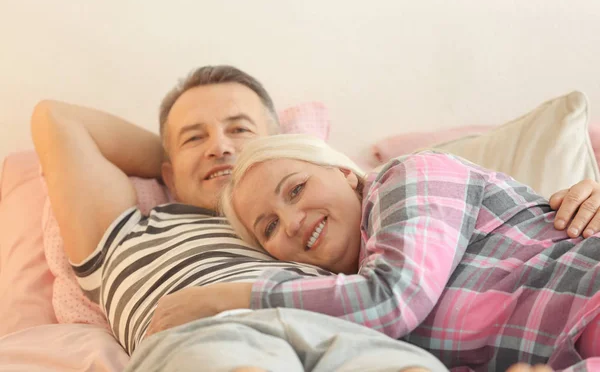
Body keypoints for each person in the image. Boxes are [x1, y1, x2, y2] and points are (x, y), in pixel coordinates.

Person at [30, 64, 599, 369]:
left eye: (240, 130)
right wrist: (188, 162)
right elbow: (57, 120)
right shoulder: (138, 230)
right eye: (194, 139)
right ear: (168, 172)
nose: (221, 148)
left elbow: (399, 295)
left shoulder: (371, 227)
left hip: (357, 335)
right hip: (218, 337)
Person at [208, 133, 600, 371]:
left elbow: (396, 295)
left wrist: (233, 299)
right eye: (270, 226)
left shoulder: (411, 174)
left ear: (343, 173)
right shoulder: (337, 304)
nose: (292, 221)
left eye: (296, 189)